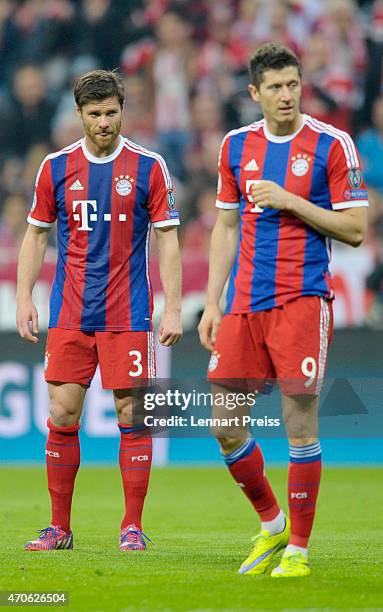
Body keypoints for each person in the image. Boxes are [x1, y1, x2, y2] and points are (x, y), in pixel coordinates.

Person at [198, 43, 368, 577]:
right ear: (255, 93)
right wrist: (212, 301)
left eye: (293, 84)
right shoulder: (235, 146)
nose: (286, 95)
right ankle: (272, 527)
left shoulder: (331, 145)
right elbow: (226, 226)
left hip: (301, 300)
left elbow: (357, 229)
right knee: (224, 425)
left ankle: (299, 549)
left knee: (299, 424)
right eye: (274, 87)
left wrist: (291, 200)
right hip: (245, 304)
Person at [16, 70, 182, 552]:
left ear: (122, 110)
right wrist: (24, 296)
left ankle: (132, 526)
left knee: (132, 413)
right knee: (63, 414)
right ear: (80, 114)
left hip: (128, 313)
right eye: (95, 114)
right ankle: (59, 528)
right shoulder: (55, 168)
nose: (104, 122)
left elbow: (167, 238)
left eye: (111, 112)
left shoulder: (150, 166)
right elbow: (37, 233)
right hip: (71, 312)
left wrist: (173, 306)